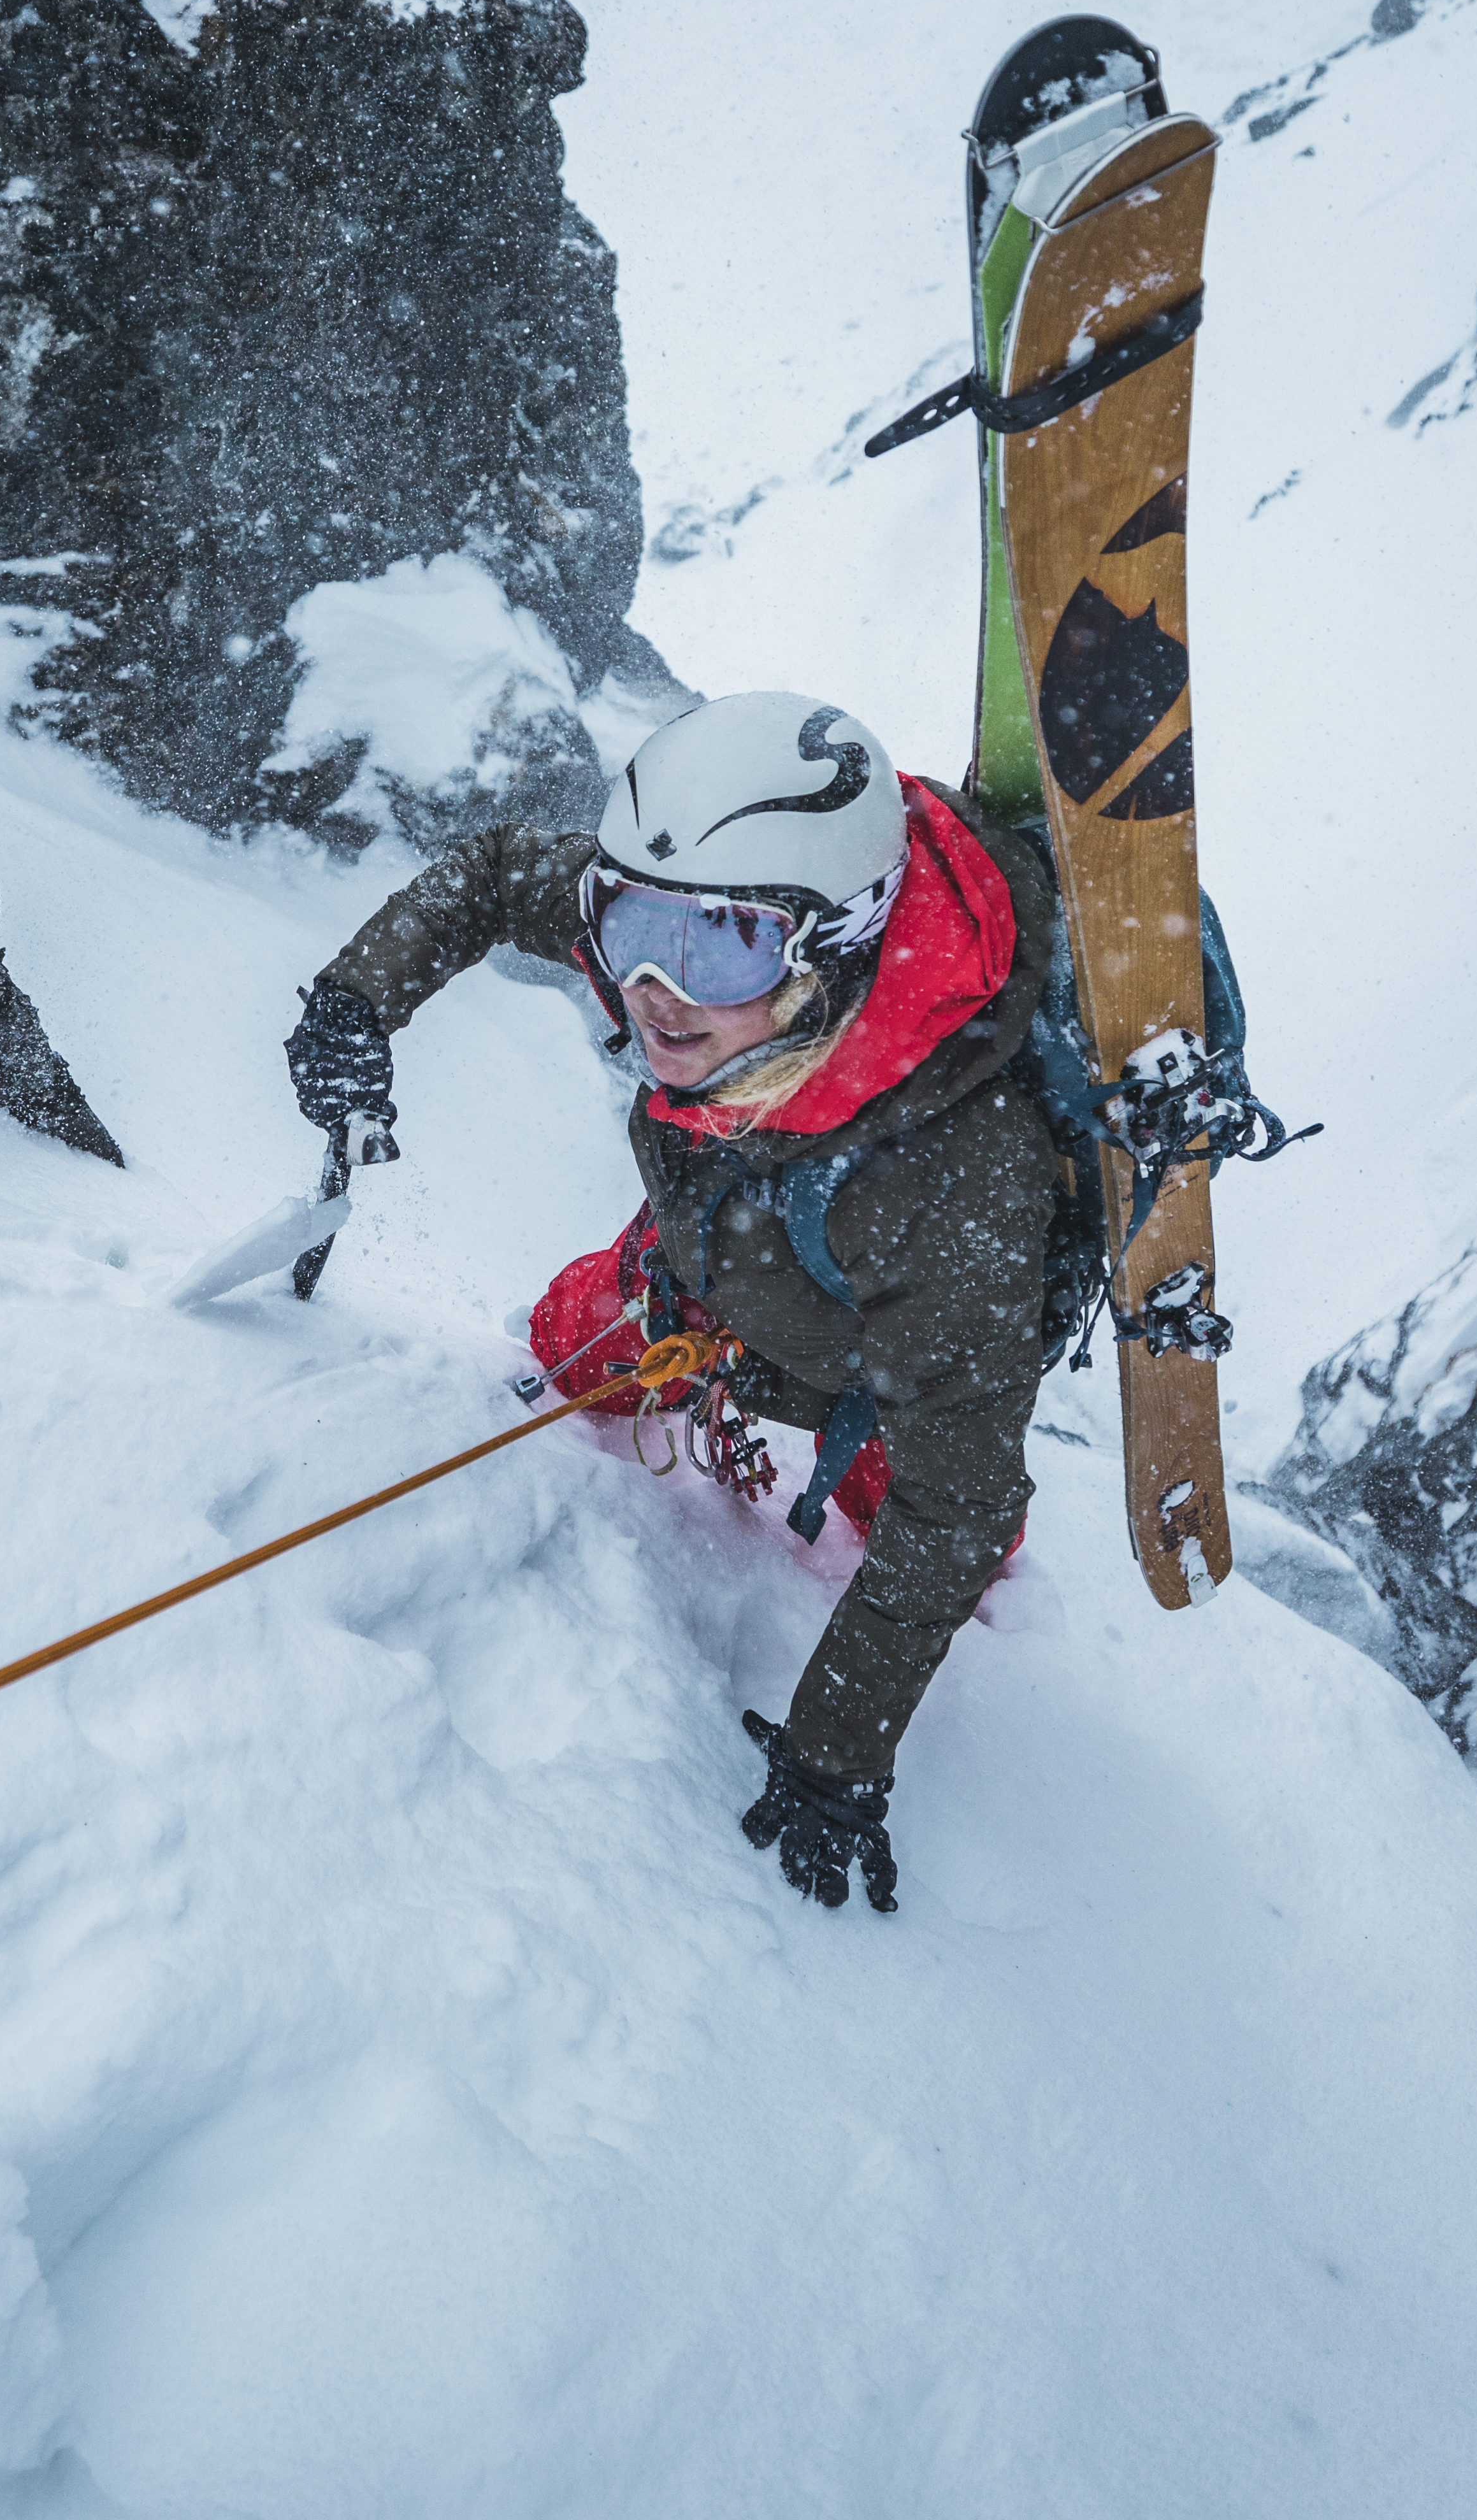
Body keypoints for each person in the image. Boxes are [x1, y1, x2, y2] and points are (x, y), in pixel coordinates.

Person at [284, 692, 1069, 1915]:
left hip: (855, 1355)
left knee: (948, 1553)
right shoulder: (706, 938)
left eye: (723, 946)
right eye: (628, 923)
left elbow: (956, 1506)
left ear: (840, 946)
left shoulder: (948, 1184)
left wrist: (836, 1759)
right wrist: (356, 998)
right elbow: (498, 874)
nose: (652, 988)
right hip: (703, 1264)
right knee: (562, 1348)